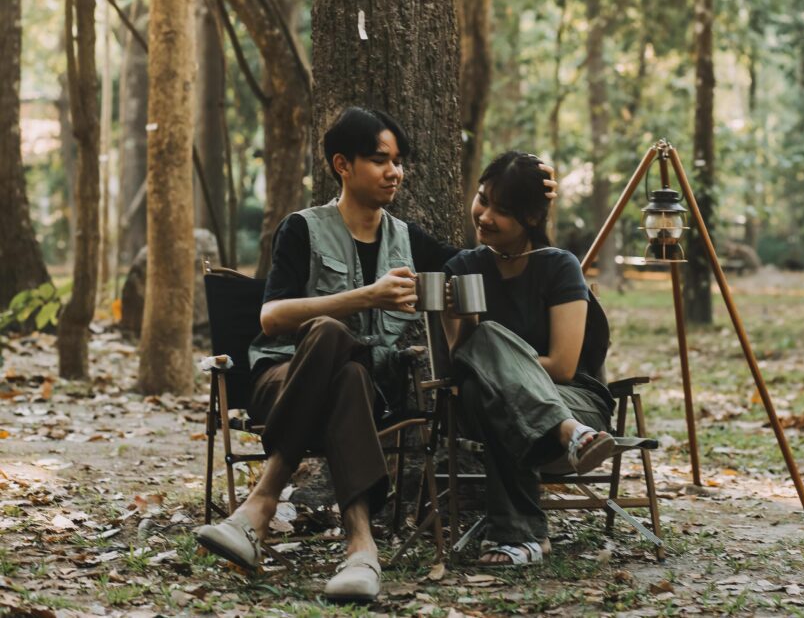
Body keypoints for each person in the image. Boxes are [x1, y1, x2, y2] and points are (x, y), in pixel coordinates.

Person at [195, 108, 555, 602]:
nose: (395, 172)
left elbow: (487, 263)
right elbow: (272, 317)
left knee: (350, 377)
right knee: (328, 334)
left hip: (369, 397)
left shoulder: (410, 241)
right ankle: (354, 545)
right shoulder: (301, 229)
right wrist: (366, 297)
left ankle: (272, 513)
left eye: (398, 161)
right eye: (380, 160)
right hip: (283, 381)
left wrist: (525, 200)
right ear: (342, 164)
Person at [443, 151, 615, 567]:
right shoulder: (462, 268)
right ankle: (567, 434)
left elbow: (563, 366)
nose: (484, 215)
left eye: (502, 210)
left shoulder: (559, 267)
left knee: (489, 391)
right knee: (480, 362)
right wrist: (462, 319)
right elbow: (460, 356)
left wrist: (501, 369)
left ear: (530, 220)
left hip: (573, 399)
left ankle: (521, 539)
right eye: (483, 198)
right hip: (550, 426)